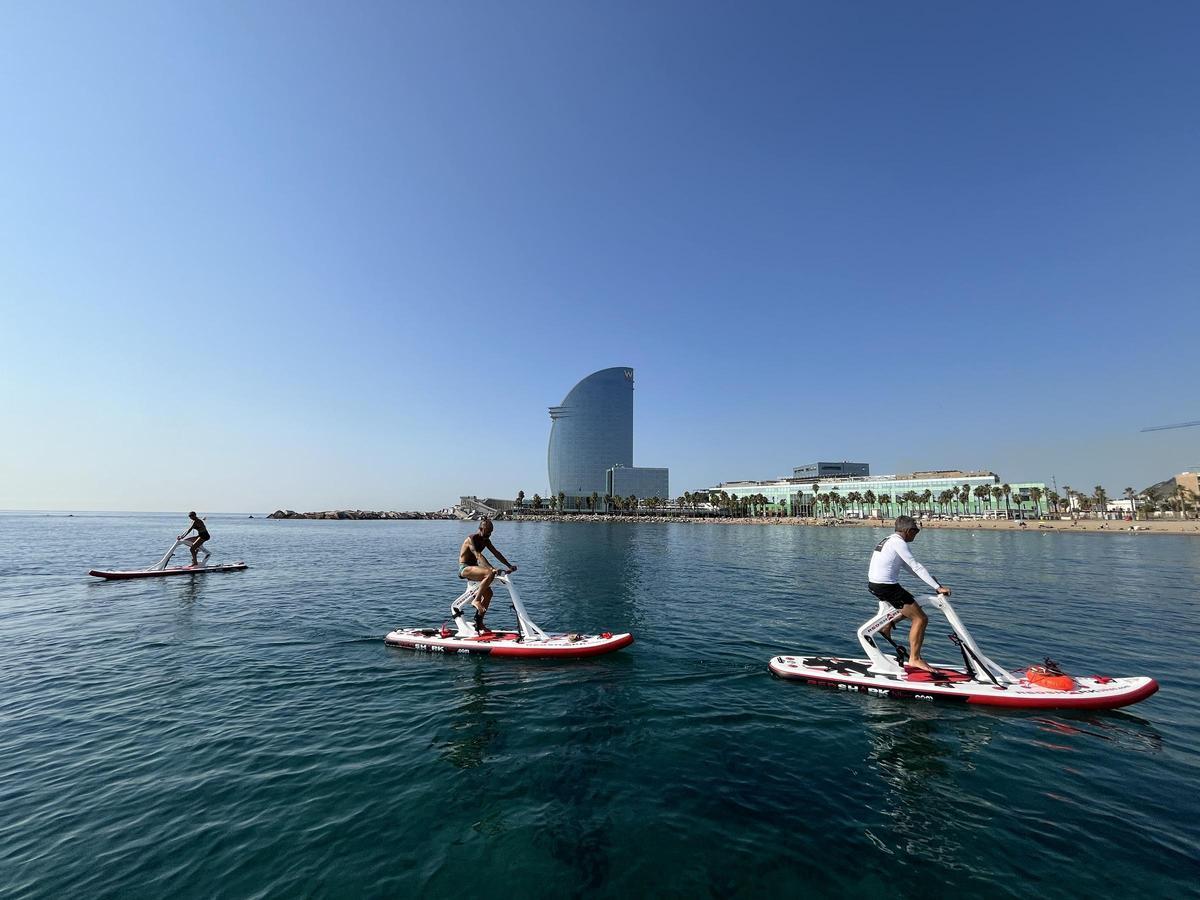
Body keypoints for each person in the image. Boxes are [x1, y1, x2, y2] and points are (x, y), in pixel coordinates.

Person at [867, 515, 951, 673]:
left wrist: (932, 582)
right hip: (886, 586)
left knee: (913, 604)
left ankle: (887, 625)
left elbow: (908, 567)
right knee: (921, 618)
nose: (916, 534)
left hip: (878, 584)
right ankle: (915, 659)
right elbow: (916, 566)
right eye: (915, 531)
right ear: (907, 530)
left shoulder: (890, 540)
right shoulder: (898, 542)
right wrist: (937, 587)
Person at [458, 517, 517, 632]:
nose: (489, 534)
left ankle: (479, 623)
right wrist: (491, 568)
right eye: (487, 531)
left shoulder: (486, 540)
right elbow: (478, 556)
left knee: (489, 594)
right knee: (489, 573)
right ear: (480, 529)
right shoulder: (472, 539)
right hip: (465, 568)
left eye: (491, 532)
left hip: (475, 568)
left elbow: (496, 553)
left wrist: (509, 566)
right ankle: (477, 600)